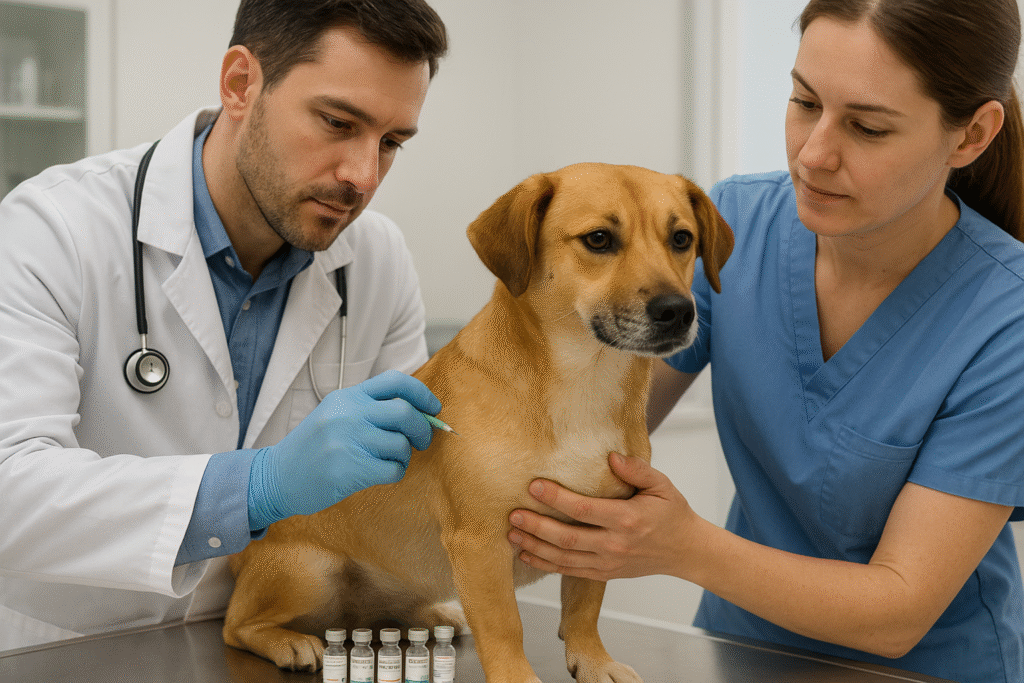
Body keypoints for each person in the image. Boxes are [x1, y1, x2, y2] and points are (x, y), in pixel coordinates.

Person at [506, 1, 1024, 681]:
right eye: (804, 100)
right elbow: (592, 430)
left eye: (867, 127)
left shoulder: (1004, 316)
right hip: (742, 652)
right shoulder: (740, 225)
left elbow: (900, 609)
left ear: (971, 135)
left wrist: (683, 546)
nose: (813, 154)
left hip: (926, 670)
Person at [0, 0, 448, 651]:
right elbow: (10, 490)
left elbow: (409, 487)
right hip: (65, 648)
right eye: (336, 122)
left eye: (391, 142)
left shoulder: (376, 260)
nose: (363, 174)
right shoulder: (51, 228)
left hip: (265, 642)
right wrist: (258, 484)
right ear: (241, 84)